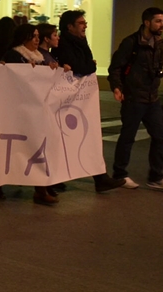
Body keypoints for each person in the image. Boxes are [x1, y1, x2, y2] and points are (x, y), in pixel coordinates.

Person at [54, 10, 126, 194]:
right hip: (67, 99)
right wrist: (92, 66)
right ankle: (56, 179)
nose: (85, 25)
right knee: (66, 138)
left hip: (79, 99)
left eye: (85, 22)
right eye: (80, 23)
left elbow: (83, 63)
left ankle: (99, 177)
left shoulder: (79, 41)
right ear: (70, 27)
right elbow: (79, 66)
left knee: (88, 137)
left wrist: (88, 65)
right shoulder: (64, 44)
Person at [109, 7, 163, 192]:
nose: (162, 25)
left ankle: (156, 177)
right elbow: (115, 67)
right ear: (147, 23)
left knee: (160, 136)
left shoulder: (158, 43)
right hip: (133, 97)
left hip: (152, 98)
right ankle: (120, 174)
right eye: (158, 21)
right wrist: (117, 87)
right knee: (128, 137)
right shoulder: (131, 43)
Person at [1, 23, 62, 206]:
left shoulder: (40, 57)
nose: (37, 40)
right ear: (23, 38)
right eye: (33, 36)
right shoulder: (15, 55)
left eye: (37, 36)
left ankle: (41, 188)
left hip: (36, 110)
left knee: (38, 147)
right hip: (19, 110)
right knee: (16, 149)